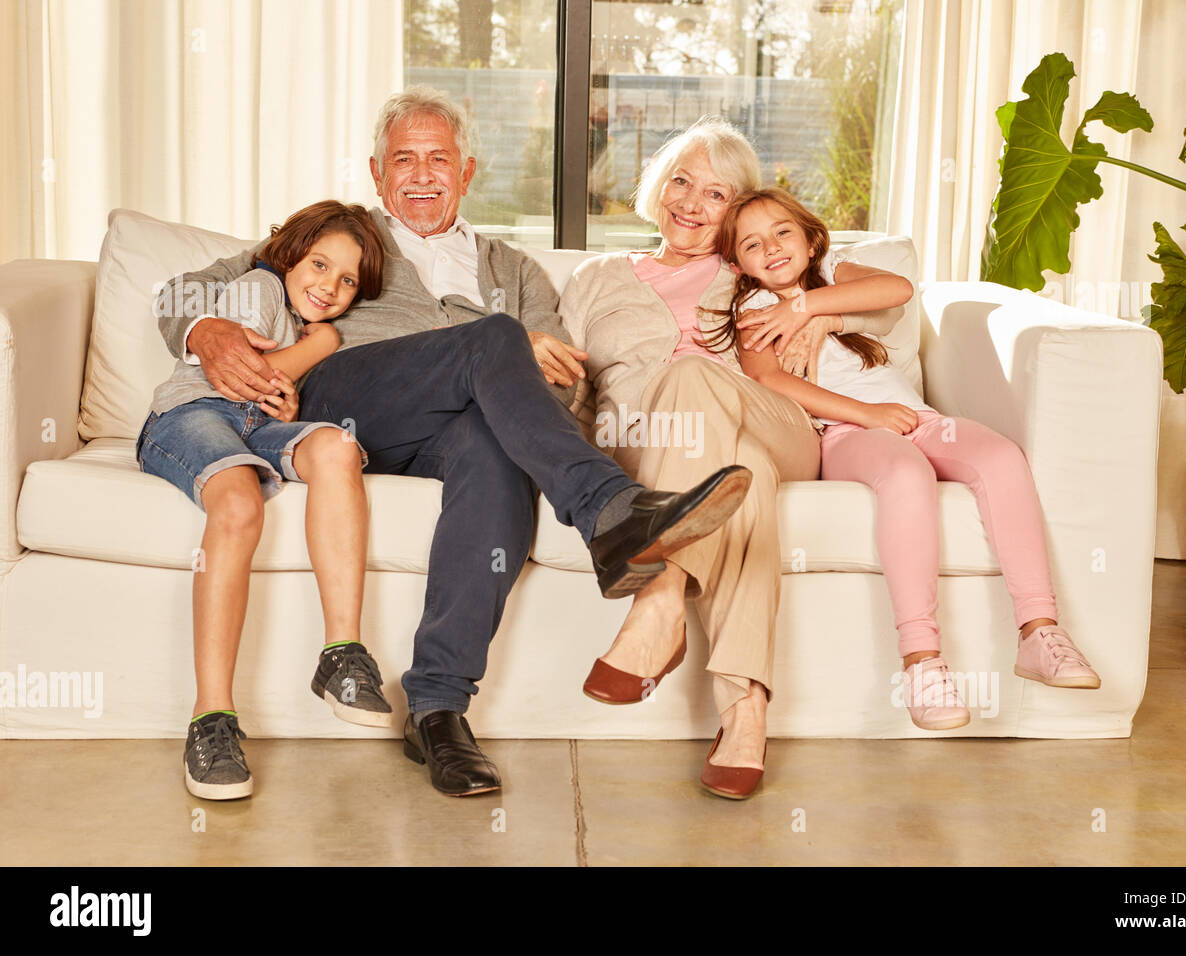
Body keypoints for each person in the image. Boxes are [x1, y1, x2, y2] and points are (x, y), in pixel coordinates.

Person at [152, 88, 750, 799]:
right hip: (342, 405)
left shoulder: (515, 271)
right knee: (498, 338)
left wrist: (504, 360)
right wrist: (206, 332)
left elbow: (550, 393)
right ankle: (609, 511)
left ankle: (438, 707)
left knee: (496, 450)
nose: (422, 174)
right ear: (378, 175)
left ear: (467, 173)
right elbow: (184, 291)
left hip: (443, 430)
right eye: (403, 159)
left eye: (439, 159)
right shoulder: (345, 238)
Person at [560, 119, 899, 799]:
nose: (691, 202)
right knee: (747, 478)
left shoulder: (754, 266)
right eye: (680, 181)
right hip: (646, 438)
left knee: (698, 385)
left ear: (737, 211)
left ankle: (660, 599)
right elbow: (567, 384)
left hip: (777, 427)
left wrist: (815, 309)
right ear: (658, 186)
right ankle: (745, 710)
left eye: (716, 194)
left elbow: (886, 301)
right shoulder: (596, 278)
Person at [715, 187, 1102, 732]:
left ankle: (1039, 631)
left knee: (1000, 456)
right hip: (845, 432)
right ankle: (922, 661)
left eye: (782, 232)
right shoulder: (753, 309)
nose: (773, 249)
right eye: (752, 245)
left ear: (808, 238)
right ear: (737, 263)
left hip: (913, 414)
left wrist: (810, 308)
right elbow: (769, 380)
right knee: (904, 470)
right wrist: (866, 414)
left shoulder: (829, 274)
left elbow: (897, 288)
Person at [138, 200, 391, 799]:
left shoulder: (302, 313)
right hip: (192, 414)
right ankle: (211, 721)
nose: (329, 287)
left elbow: (270, 391)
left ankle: (342, 654)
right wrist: (323, 343)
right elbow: (252, 370)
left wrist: (293, 402)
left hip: (254, 422)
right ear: (289, 255)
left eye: (347, 281)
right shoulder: (257, 285)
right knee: (239, 502)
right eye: (319, 265)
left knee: (336, 448)